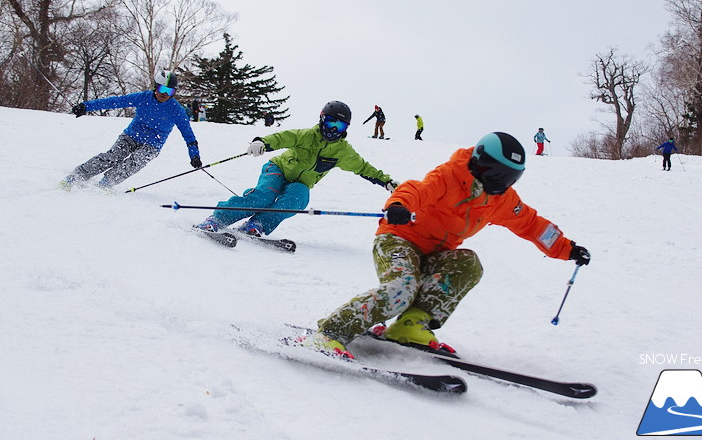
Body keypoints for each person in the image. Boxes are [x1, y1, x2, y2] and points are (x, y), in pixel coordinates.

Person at [301, 132, 591, 358]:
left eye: (511, 177)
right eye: (498, 175)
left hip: (437, 253)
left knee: (468, 263)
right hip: (399, 239)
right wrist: (399, 205)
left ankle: (411, 324)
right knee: (401, 289)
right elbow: (415, 189)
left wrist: (567, 248)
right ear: (480, 163)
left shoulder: (501, 199)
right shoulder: (450, 176)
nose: (502, 184)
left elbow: (531, 224)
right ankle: (330, 333)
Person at [194, 101, 400, 237]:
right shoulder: (306, 135)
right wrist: (261, 142)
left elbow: (363, 168)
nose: (333, 130)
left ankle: (258, 224)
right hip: (278, 169)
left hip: (299, 183)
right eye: (330, 123)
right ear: (321, 120)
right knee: (265, 196)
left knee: (299, 198)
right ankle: (218, 218)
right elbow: (282, 137)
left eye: (340, 126)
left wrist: (386, 182)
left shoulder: (343, 151)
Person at [60, 70, 202, 189]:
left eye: (169, 91)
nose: (164, 94)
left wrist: (194, 156)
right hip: (131, 136)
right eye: (161, 89)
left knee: (135, 162)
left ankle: (105, 184)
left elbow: (188, 135)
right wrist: (86, 107)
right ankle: (76, 176)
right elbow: (115, 101)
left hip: (153, 144)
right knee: (112, 157)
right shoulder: (143, 98)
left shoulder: (176, 110)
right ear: (155, 87)